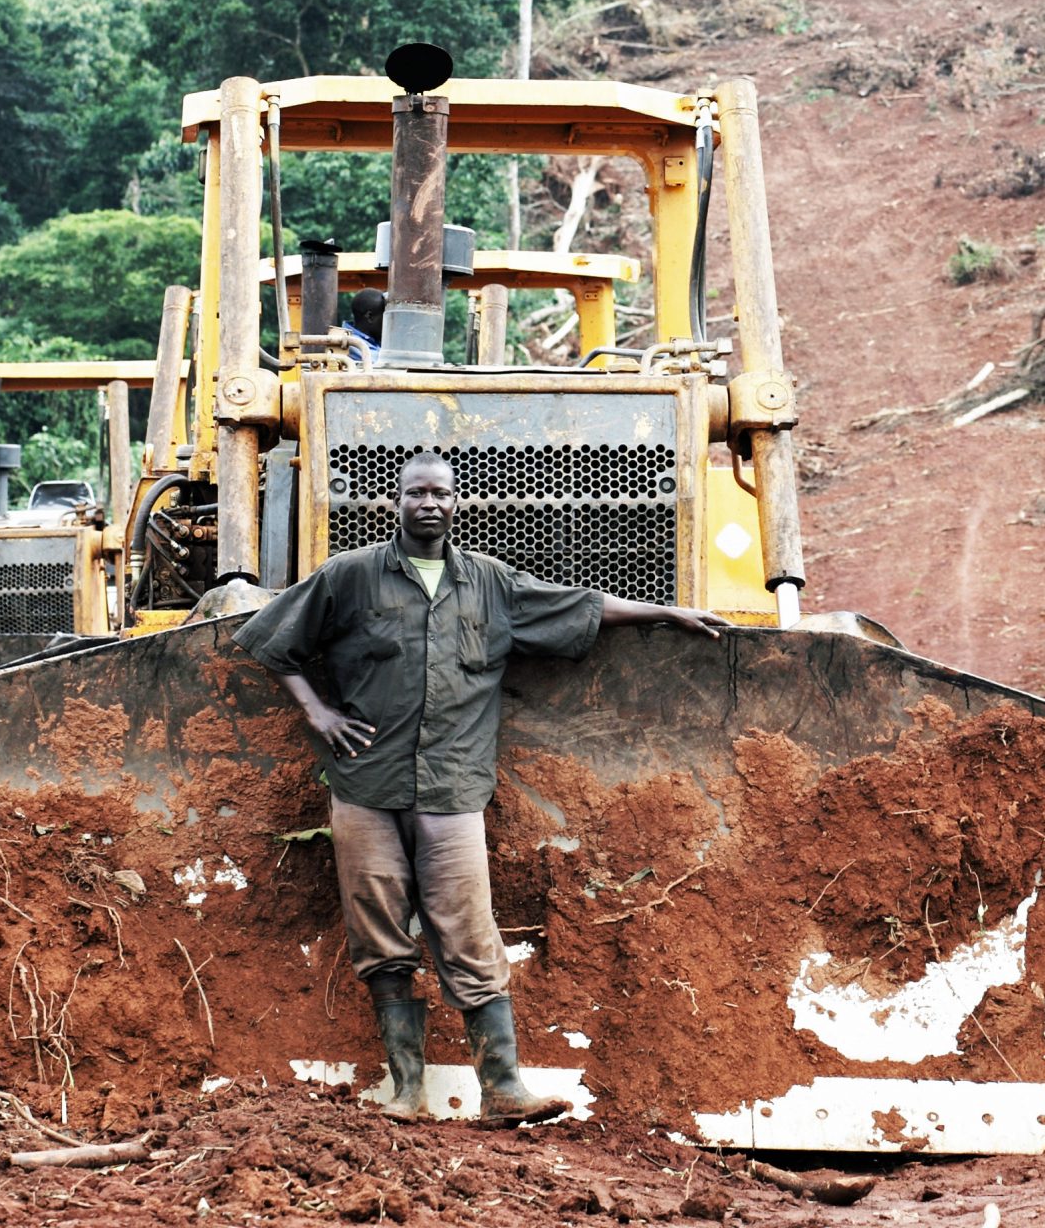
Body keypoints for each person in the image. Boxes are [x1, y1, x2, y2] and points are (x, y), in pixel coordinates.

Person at [232, 451, 727, 1123]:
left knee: (467, 930)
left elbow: (580, 607)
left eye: (440, 493)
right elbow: (270, 640)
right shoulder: (349, 577)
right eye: (416, 494)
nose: (428, 504)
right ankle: (404, 1091)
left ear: (456, 503)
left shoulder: (492, 584)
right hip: (367, 785)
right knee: (378, 933)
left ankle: (502, 1088)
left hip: (453, 789)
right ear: (396, 502)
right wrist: (318, 712)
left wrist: (665, 612)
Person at [345, 288, 386, 359]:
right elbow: (383, 362)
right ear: (370, 317)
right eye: (385, 317)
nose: (388, 323)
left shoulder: (375, 339)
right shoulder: (351, 343)